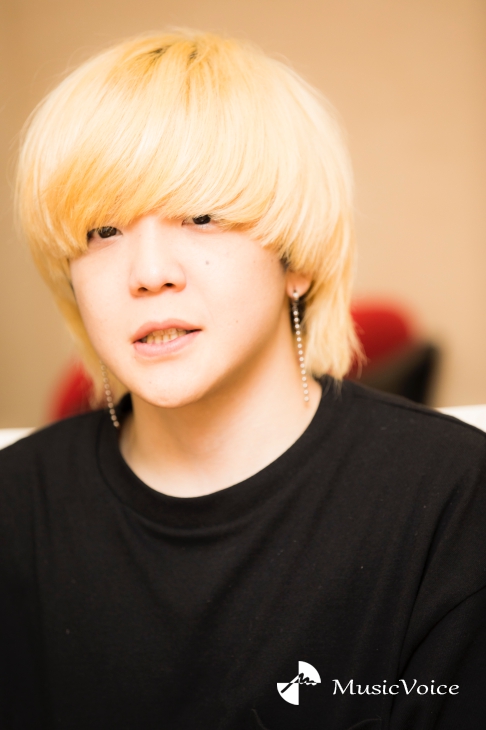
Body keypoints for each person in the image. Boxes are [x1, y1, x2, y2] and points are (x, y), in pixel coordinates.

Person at [1, 29, 486, 730]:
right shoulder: (17, 507)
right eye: (102, 231)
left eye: (201, 217)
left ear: (298, 261)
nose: (149, 272)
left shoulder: (452, 497)